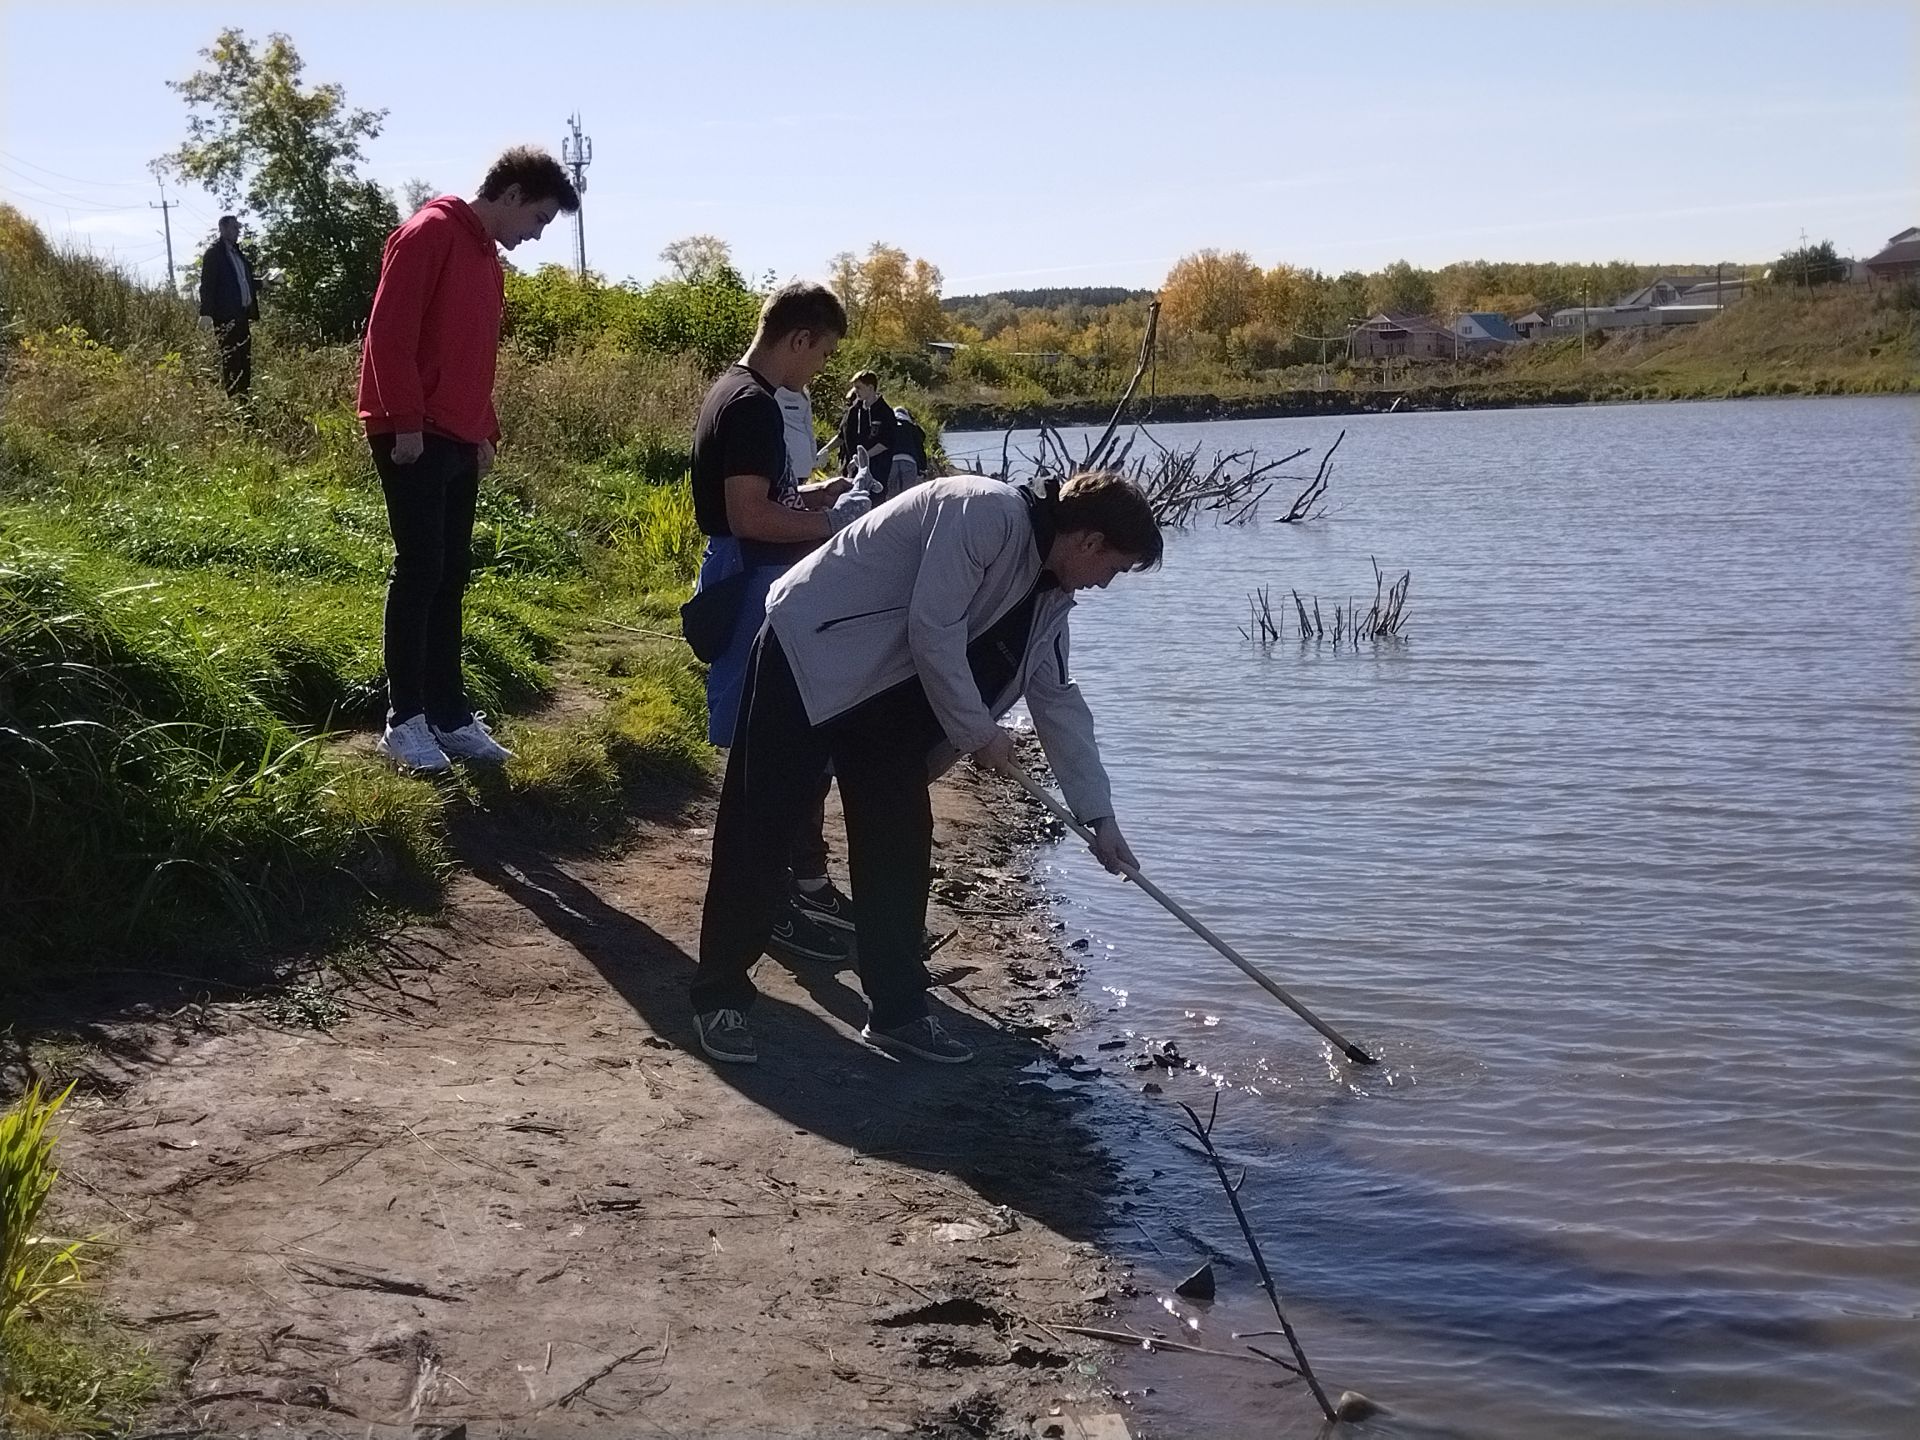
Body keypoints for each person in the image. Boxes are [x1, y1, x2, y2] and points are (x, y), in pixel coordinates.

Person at [690, 469, 1160, 1066]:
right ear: (1090, 542)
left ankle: (897, 1012)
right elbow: (932, 630)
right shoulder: (983, 513)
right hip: (808, 652)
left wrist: (1100, 817)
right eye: (1114, 569)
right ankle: (719, 998)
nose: (1106, 583)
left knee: (898, 845)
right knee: (763, 825)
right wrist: (979, 735)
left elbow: (1059, 703)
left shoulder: (1052, 597)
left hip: (889, 694)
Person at [358, 146, 579, 772]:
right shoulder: (428, 233)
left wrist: (484, 431)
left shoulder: (488, 261)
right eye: (536, 219)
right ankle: (405, 720)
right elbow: (389, 336)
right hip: (414, 432)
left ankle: (449, 715)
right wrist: (404, 423)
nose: (534, 235)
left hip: (457, 433)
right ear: (510, 195)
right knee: (420, 569)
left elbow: (473, 357)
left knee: (452, 572)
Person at [687, 282, 872, 963]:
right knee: (764, 755)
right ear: (798, 339)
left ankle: (787, 896)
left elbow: (764, 499)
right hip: (750, 586)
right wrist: (832, 522)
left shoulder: (731, 393)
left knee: (772, 752)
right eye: (821, 354)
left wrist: (809, 496)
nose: (819, 369)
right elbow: (748, 516)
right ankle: (775, 907)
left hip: (745, 575)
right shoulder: (753, 406)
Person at [197, 215, 260, 400]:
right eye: (234, 227)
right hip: (225, 317)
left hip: (242, 315)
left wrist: (263, 283)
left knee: (245, 359)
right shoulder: (214, 254)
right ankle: (235, 400)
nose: (237, 231)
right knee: (232, 359)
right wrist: (206, 313)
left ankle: (245, 397)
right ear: (222, 229)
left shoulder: (237, 253)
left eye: (238, 227)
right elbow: (207, 285)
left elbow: (243, 282)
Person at [835, 370, 897, 481]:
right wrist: (823, 451)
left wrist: (861, 458)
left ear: (870, 387)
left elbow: (885, 443)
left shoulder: (885, 412)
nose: (856, 391)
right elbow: (841, 436)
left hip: (876, 473)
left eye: (859, 387)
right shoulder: (853, 411)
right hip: (852, 472)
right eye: (854, 388)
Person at [887, 405, 928, 496]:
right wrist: (922, 468)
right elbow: (920, 448)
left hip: (891, 462)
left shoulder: (889, 426)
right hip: (909, 461)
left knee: (892, 496)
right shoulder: (913, 428)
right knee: (909, 495)